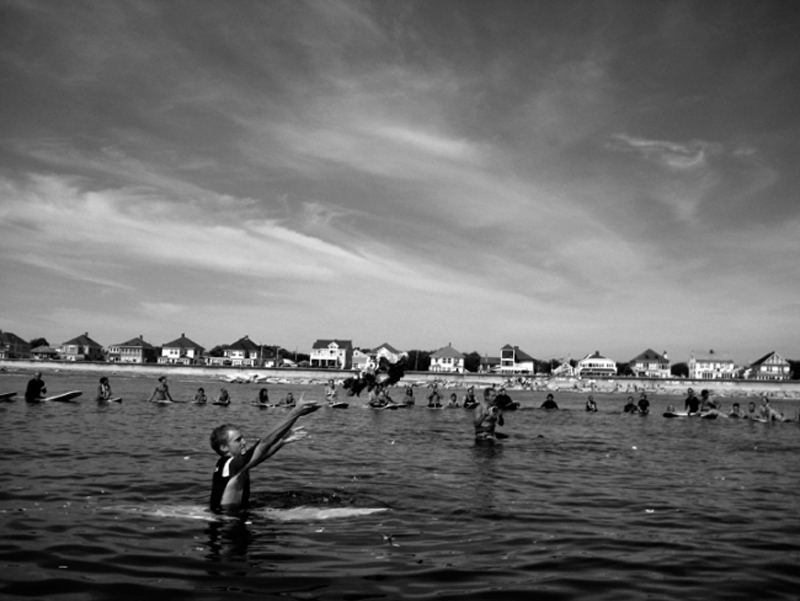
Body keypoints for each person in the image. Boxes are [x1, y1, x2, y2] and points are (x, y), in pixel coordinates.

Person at [209, 400, 321, 512]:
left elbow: (261, 455)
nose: (244, 442)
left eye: (242, 438)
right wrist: (295, 413)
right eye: (238, 440)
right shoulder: (231, 464)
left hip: (235, 514)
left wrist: (282, 441)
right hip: (227, 523)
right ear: (224, 447)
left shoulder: (229, 465)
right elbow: (263, 444)